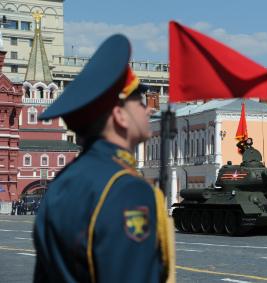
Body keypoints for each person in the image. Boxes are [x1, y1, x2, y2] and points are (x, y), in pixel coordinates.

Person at [33, 34, 172, 283]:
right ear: (120, 115)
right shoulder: (126, 189)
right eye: (139, 101)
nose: (149, 108)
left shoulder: (63, 181)